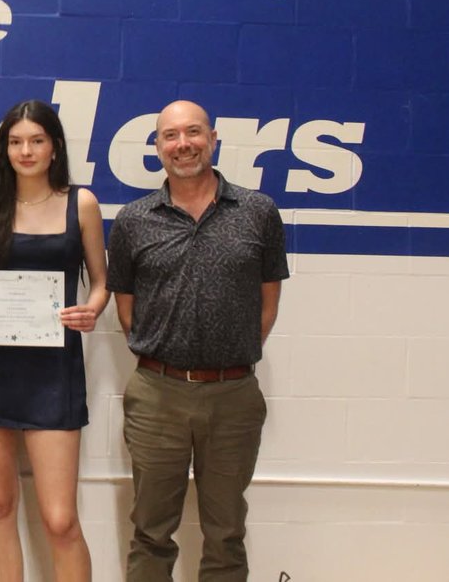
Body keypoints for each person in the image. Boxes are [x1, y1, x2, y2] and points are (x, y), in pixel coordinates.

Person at [106, 99, 288, 581]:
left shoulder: (258, 212)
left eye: (193, 133)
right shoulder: (132, 220)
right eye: (170, 136)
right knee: (150, 533)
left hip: (233, 395)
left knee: (226, 533)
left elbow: (267, 305)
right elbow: (126, 310)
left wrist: (224, 356)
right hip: (156, 394)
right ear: (158, 146)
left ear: (213, 139)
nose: (182, 144)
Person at [0, 100, 109, 582]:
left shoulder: (81, 203)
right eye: (16, 142)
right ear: (5, 150)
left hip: (52, 374)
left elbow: (102, 283)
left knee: (59, 520)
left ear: (54, 146)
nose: (26, 151)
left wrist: (93, 310)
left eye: (36, 140)